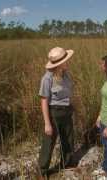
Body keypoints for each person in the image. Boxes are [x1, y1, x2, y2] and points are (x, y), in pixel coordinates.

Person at [38, 47, 75, 178]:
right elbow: (44, 101)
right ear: (59, 64)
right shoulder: (47, 78)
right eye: (66, 61)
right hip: (54, 113)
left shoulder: (66, 74)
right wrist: (47, 123)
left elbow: (69, 92)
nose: (68, 62)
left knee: (68, 139)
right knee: (49, 142)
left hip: (67, 111)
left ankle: (67, 163)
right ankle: (42, 171)